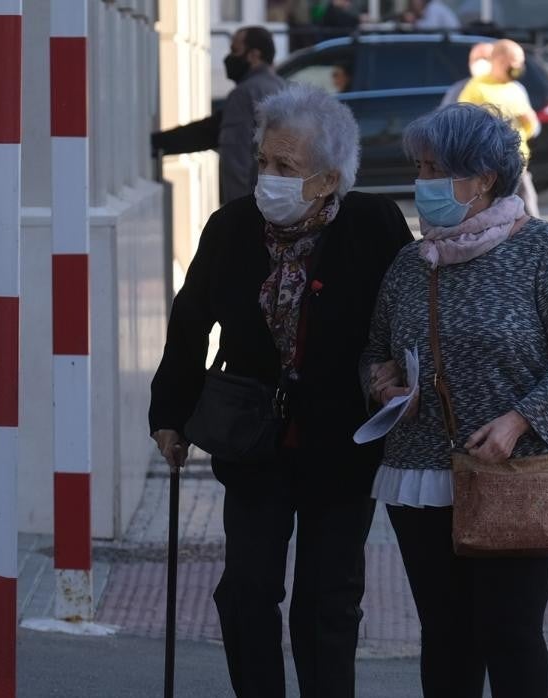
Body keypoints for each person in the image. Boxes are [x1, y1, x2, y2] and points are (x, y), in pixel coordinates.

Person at [149, 84, 413, 698]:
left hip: (341, 444)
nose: (267, 177)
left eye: (285, 167)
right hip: (251, 439)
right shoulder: (231, 227)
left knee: (328, 599)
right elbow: (190, 324)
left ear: (328, 179)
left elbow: (408, 321)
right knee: (245, 591)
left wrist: (397, 382)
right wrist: (171, 414)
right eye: (263, 162)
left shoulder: (373, 226)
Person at [360, 103, 548, 698]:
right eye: (420, 167)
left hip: (523, 466)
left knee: (508, 630)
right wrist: (380, 385)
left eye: (435, 169)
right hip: (424, 470)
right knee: (446, 632)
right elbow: (374, 350)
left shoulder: (544, 251)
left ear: (483, 179)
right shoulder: (411, 263)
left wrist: (516, 422)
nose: (421, 182)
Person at [149, 26, 285, 205]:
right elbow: (210, 131)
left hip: (253, 204)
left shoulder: (244, 94)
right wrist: (159, 142)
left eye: (235, 50)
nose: (229, 57)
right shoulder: (281, 88)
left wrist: (236, 214)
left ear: (254, 55)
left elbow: (236, 160)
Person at [457, 40, 541, 217]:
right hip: (489, 172)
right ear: (501, 60)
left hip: (518, 168)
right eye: (516, 60)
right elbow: (462, 126)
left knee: (530, 219)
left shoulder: (516, 89)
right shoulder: (476, 87)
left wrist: (529, 120)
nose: (519, 66)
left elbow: (532, 128)